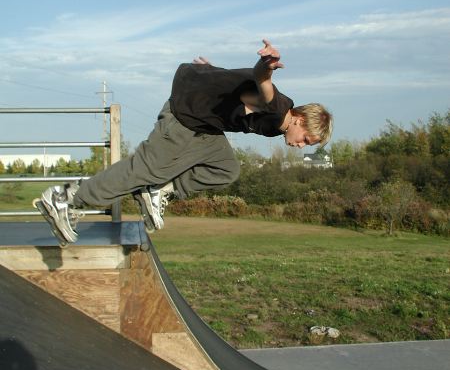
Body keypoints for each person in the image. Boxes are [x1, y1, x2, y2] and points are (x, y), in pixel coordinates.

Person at [35, 39, 333, 244]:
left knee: (226, 168)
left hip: (206, 126)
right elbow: (262, 82)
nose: (301, 146)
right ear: (300, 119)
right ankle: (65, 198)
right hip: (184, 116)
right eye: (306, 139)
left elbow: (236, 86)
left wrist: (211, 73)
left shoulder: (278, 126)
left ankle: (159, 190)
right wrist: (266, 64)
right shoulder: (278, 109)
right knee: (144, 170)